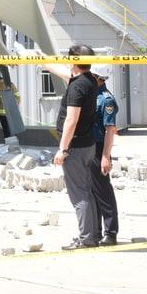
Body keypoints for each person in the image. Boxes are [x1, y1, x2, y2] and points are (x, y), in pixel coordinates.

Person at [53, 43, 104, 250]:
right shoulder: (89, 80)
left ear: (73, 60)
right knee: (86, 190)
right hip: (87, 144)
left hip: (75, 147)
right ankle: (92, 235)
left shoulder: (76, 87)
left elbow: (71, 120)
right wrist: (41, 60)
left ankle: (86, 238)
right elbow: (66, 73)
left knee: (79, 194)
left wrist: (62, 149)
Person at [90, 66, 120, 247]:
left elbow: (110, 130)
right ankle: (95, 232)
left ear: (98, 78)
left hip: (100, 147)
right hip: (88, 147)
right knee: (91, 191)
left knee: (103, 191)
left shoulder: (106, 99)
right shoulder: (91, 95)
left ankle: (110, 232)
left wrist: (105, 157)